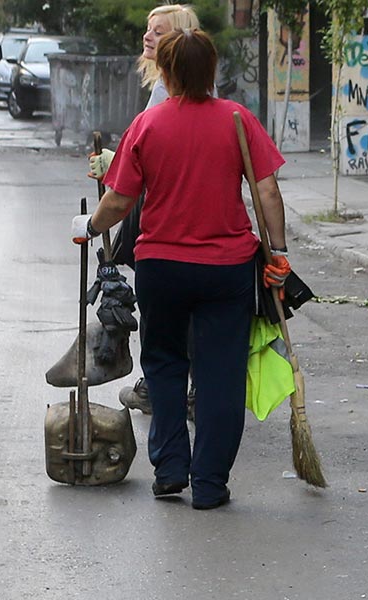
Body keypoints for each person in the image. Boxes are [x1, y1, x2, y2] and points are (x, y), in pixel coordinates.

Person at [72, 29, 290, 510]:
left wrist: (90, 226)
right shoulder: (237, 119)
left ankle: (170, 469)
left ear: (166, 73)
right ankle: (209, 484)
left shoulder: (148, 125)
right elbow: (267, 190)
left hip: (162, 268)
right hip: (227, 272)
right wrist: (278, 252)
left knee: (166, 367)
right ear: (212, 72)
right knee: (220, 376)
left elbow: (121, 198)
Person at [90, 4, 202, 417]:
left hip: (165, 217)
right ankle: (186, 385)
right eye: (147, 30)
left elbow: (151, 153)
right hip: (184, 214)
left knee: (167, 313)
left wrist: (96, 219)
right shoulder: (170, 87)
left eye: (159, 32)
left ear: (180, 39)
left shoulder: (166, 92)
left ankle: (166, 387)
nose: (147, 37)